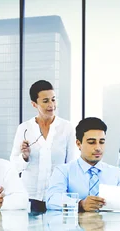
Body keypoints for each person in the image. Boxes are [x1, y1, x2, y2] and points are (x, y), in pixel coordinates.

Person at [10, 80, 78, 213]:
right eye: (45, 101)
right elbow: (13, 165)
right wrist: (24, 157)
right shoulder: (24, 128)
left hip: (57, 197)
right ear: (34, 104)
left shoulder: (66, 128)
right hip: (30, 197)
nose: (51, 105)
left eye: (53, 99)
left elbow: (70, 165)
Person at [45, 117, 120, 212]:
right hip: (75, 226)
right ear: (79, 144)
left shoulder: (116, 173)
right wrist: (80, 204)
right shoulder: (64, 171)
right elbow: (52, 199)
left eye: (102, 142)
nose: (98, 148)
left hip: (108, 225)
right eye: (92, 142)